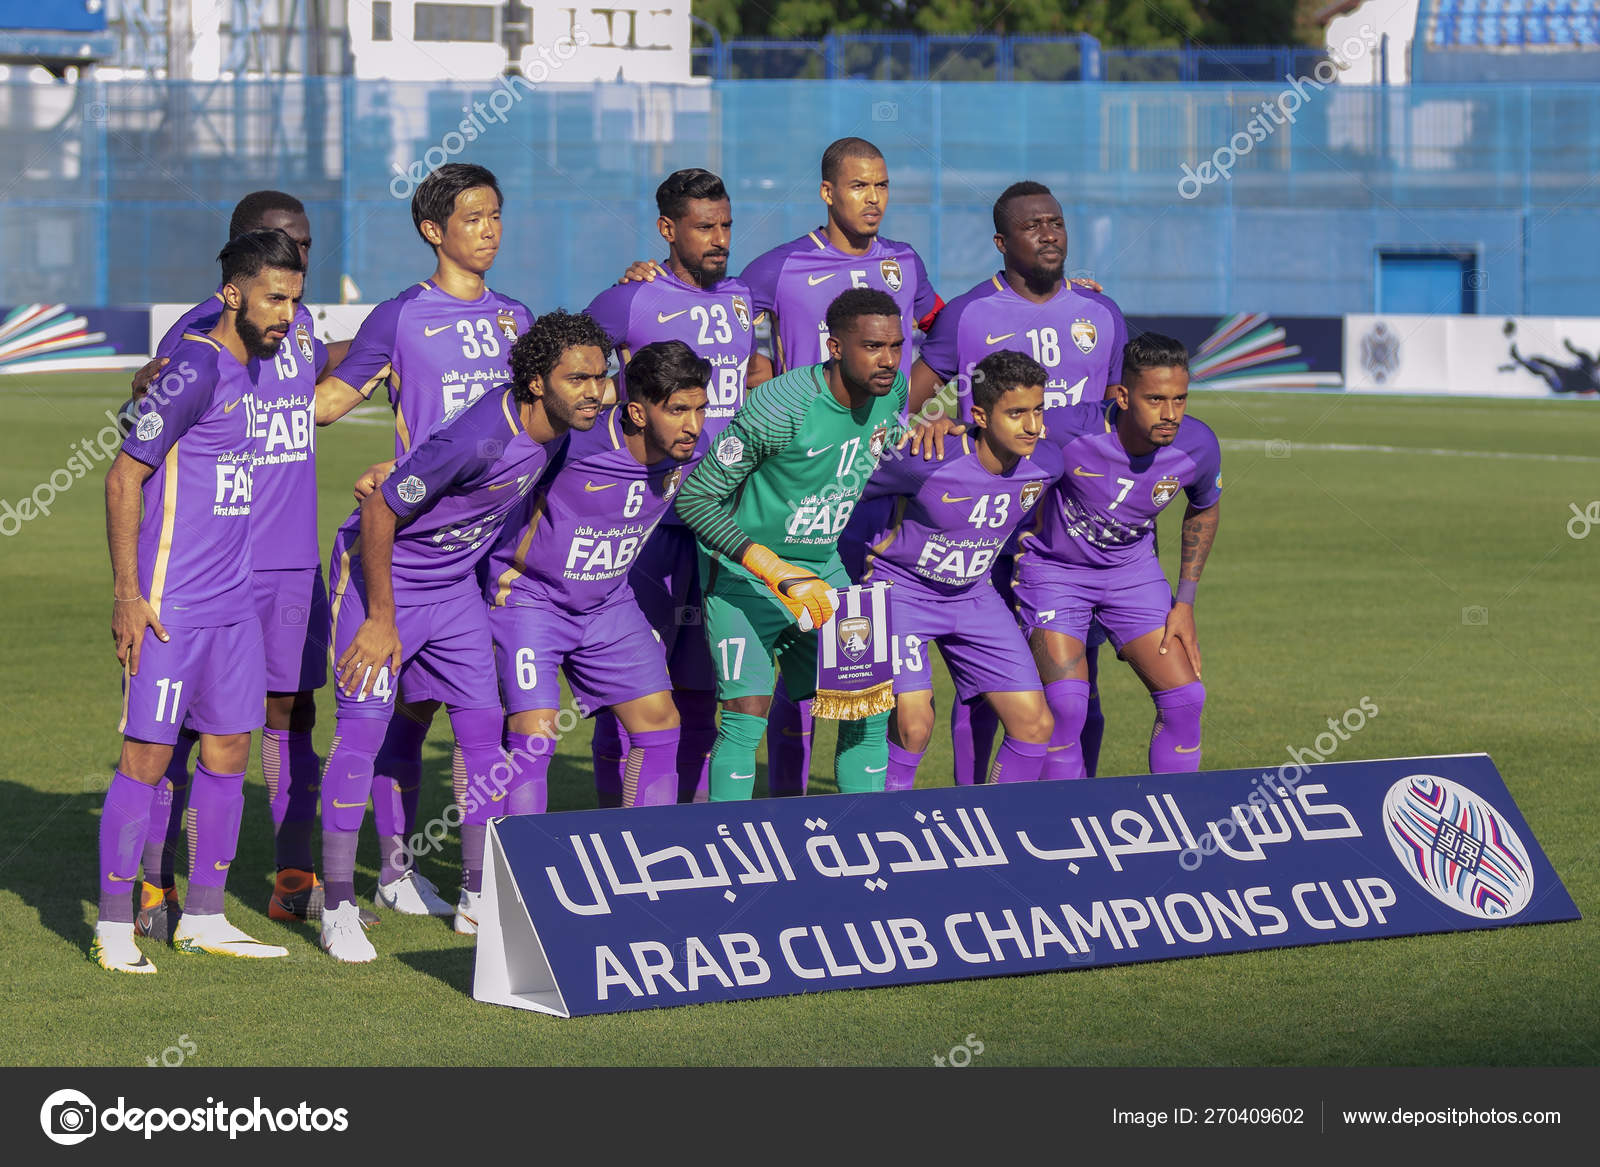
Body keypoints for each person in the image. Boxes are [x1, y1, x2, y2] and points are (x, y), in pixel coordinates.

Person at [316, 310, 607, 961]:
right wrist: (382, 619)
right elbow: (380, 508)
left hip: (453, 593)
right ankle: (336, 905)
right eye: (579, 378)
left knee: (482, 733)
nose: (595, 390)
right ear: (536, 381)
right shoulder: (482, 436)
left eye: (600, 376)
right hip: (379, 582)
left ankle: (480, 895)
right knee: (361, 733)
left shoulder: (560, 429)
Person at [125, 191, 360, 941]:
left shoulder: (300, 323)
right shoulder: (203, 330)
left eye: (306, 244)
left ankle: (293, 879)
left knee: (293, 714)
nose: (298, 255)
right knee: (187, 731)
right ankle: (156, 885)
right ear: (239, 255)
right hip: (215, 565)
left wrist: (392, 343)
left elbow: (320, 374)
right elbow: (149, 412)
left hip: (291, 562)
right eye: (278, 243)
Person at [314, 163, 532, 919]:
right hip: (397, 549)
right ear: (433, 231)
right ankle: (381, 878)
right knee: (381, 723)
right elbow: (326, 406)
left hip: (471, 559)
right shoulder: (402, 317)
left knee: (458, 723)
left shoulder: (518, 320)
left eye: (496, 214)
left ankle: (463, 891)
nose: (490, 229)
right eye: (473, 217)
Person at [92, 229, 306, 972]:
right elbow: (123, 476)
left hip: (233, 608)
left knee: (226, 753)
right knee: (146, 758)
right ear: (233, 294)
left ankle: (205, 917)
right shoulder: (196, 366)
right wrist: (127, 594)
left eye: (295, 300)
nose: (286, 313)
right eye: (274, 298)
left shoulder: (253, 373)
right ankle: (115, 927)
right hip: (169, 606)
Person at [908, 181, 1129, 787]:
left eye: (1056, 222)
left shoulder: (1101, 313)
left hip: (1079, 536)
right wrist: (936, 432)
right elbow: (906, 402)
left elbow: (1120, 417)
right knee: (983, 684)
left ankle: (1070, 805)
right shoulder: (969, 314)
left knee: (1079, 681)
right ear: (1003, 242)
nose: (1049, 234)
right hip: (994, 533)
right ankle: (973, 807)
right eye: (1033, 226)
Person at [674, 289, 908, 801]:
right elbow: (694, 500)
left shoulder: (894, 392)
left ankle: (863, 844)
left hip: (823, 571)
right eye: (872, 346)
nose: (887, 359)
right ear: (835, 346)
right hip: (745, 579)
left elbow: (869, 454)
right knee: (746, 714)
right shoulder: (780, 406)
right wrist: (774, 568)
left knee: (868, 707)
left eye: (895, 345)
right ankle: (725, 860)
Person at [583, 169, 759, 803]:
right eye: (703, 226)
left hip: (723, 521)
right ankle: (614, 827)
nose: (719, 239)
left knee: (702, 686)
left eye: (726, 226)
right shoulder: (628, 300)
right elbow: (565, 374)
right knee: (632, 690)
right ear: (667, 229)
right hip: (648, 522)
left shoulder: (743, 295)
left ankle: (680, 826)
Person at [859, 350, 1100, 788]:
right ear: (980, 416)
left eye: (1038, 410)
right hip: (901, 594)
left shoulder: (1047, 463)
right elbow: (845, 495)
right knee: (914, 725)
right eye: (1016, 414)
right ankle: (881, 822)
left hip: (973, 596)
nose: (1032, 426)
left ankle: (996, 832)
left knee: (1035, 725)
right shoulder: (922, 459)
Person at [487, 339, 709, 814]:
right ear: (638, 412)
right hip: (531, 599)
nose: (692, 425)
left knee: (660, 722)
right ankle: (516, 882)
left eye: (700, 409)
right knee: (535, 736)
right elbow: (478, 467)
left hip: (609, 604)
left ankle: (647, 862)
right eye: (677, 410)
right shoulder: (570, 443)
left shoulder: (693, 451)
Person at [1014, 333, 1221, 778]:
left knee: (1187, 699)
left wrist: (1184, 601)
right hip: (1054, 573)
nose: (1171, 414)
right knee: (1066, 705)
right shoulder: (1065, 427)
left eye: (1181, 399)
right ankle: (1060, 826)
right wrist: (944, 427)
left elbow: (1204, 506)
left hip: (1132, 573)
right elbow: (998, 436)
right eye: (1156, 399)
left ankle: (1176, 822)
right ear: (1123, 396)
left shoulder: (1198, 446)